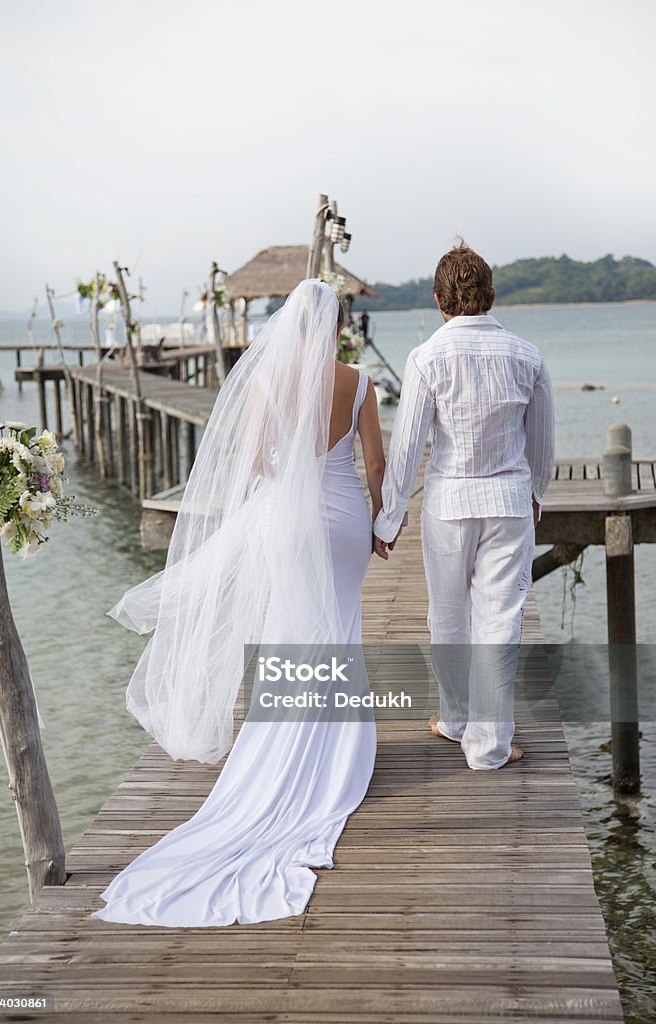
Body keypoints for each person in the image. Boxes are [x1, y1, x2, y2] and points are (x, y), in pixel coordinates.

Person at [92, 279, 386, 927]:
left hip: (286, 519)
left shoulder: (263, 381)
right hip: (342, 522)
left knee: (289, 631)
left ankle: (282, 745)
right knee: (336, 628)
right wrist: (379, 522)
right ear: (336, 325)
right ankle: (336, 747)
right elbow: (375, 461)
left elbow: (253, 458)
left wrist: (286, 481)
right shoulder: (357, 380)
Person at [373, 241, 554, 770]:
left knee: (447, 619)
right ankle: (489, 746)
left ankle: (454, 720)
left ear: (438, 299)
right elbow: (541, 444)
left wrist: (388, 516)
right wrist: (536, 492)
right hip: (508, 503)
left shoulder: (426, 357)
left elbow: (406, 447)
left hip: (448, 503)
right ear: (492, 296)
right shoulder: (528, 355)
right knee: (500, 621)